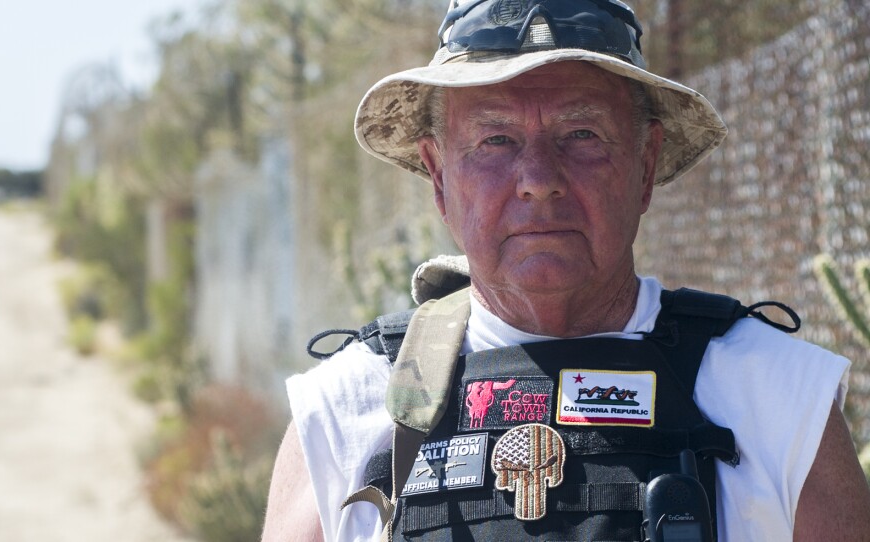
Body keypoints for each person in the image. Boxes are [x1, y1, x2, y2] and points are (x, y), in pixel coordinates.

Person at [261, 1, 870, 540]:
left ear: (646, 165)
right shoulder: (345, 415)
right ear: (440, 177)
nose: (538, 180)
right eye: (494, 139)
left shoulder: (781, 404)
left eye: (582, 133)